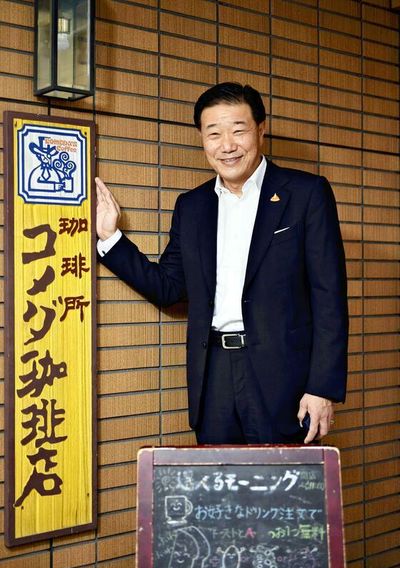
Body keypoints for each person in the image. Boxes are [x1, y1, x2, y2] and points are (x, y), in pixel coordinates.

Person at [96, 82, 348, 445]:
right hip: (212, 375)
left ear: (260, 129)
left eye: (238, 130)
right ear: (202, 138)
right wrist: (111, 239)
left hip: (284, 380)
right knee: (218, 490)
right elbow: (170, 288)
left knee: (280, 495)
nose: (226, 145)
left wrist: (322, 387)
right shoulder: (192, 206)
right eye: (213, 133)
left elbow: (330, 297)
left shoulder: (306, 194)